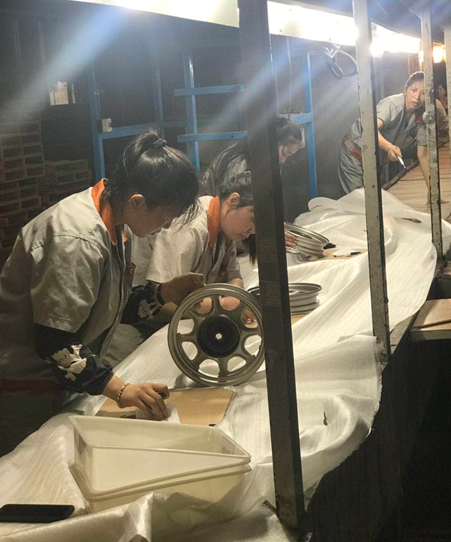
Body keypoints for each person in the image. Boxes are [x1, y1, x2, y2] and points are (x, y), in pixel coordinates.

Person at [0, 130, 204, 456]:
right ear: (138, 202)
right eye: (166, 216)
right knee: (30, 476)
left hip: (57, 382)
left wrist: (163, 293)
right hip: (26, 390)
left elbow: (110, 308)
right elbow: (56, 341)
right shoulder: (76, 238)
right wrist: (120, 390)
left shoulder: (115, 221)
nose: (166, 227)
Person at [104, 169, 262, 366]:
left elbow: (234, 275)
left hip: (171, 318)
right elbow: (166, 301)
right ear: (233, 200)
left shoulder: (225, 227)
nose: (252, 231)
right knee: (130, 371)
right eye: (253, 220)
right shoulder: (191, 228)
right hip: (134, 320)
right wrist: (222, 306)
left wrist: (234, 301)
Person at [338, 71, 448, 204]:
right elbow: (369, 130)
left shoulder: (421, 118)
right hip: (355, 153)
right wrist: (389, 147)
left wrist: (432, 191)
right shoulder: (392, 105)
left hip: (374, 160)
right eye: (414, 90)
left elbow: (422, 154)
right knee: (357, 202)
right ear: (405, 90)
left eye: (423, 93)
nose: (417, 97)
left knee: (373, 202)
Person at [201, 116, 303, 196]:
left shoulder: (264, 160)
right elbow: (234, 208)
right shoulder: (239, 166)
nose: (284, 160)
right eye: (285, 153)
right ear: (271, 143)